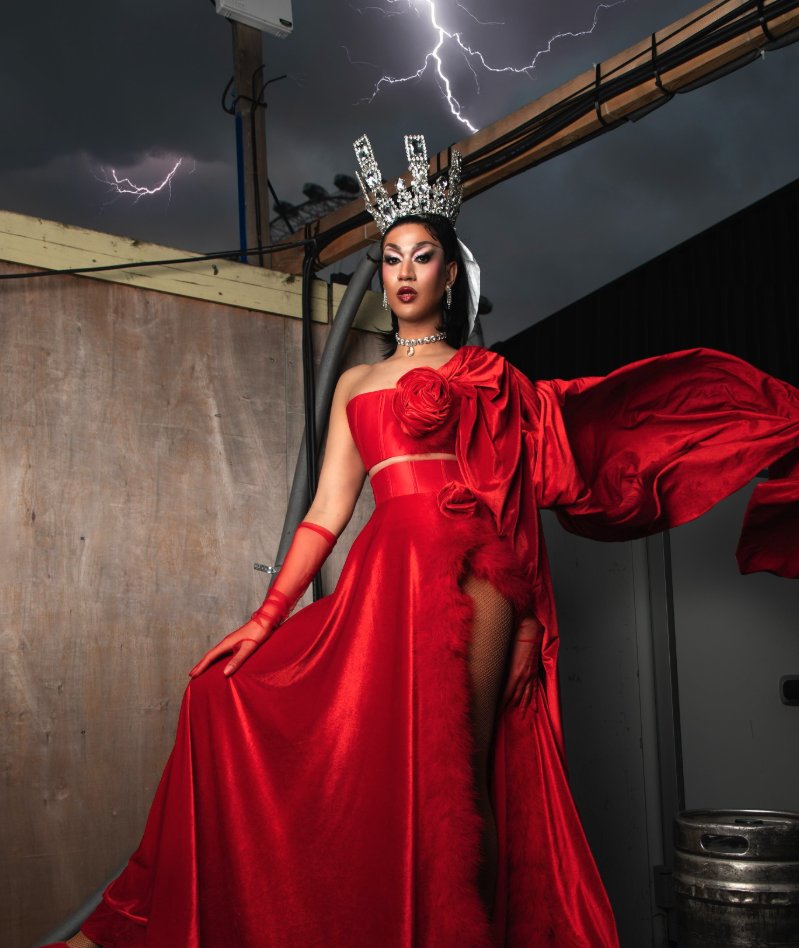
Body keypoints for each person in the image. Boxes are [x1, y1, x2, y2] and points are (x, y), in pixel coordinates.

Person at [46, 135, 798, 948]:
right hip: (378, 585)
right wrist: (264, 618)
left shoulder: (490, 377)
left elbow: (508, 503)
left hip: (475, 578)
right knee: (239, 709)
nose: (404, 272)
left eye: (423, 256)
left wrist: (529, 626)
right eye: (392, 258)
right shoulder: (354, 383)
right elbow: (325, 513)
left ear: (449, 273)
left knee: (455, 789)